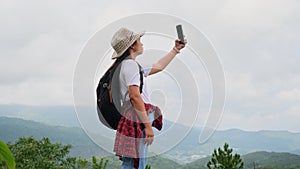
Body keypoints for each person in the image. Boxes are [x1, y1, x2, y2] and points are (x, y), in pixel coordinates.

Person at [109, 27, 186, 169]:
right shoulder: (130, 66)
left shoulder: (125, 65)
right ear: (132, 45)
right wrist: (147, 126)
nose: (142, 43)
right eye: (139, 40)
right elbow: (135, 96)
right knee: (139, 162)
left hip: (131, 116)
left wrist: (175, 49)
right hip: (138, 117)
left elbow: (158, 66)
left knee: (130, 161)